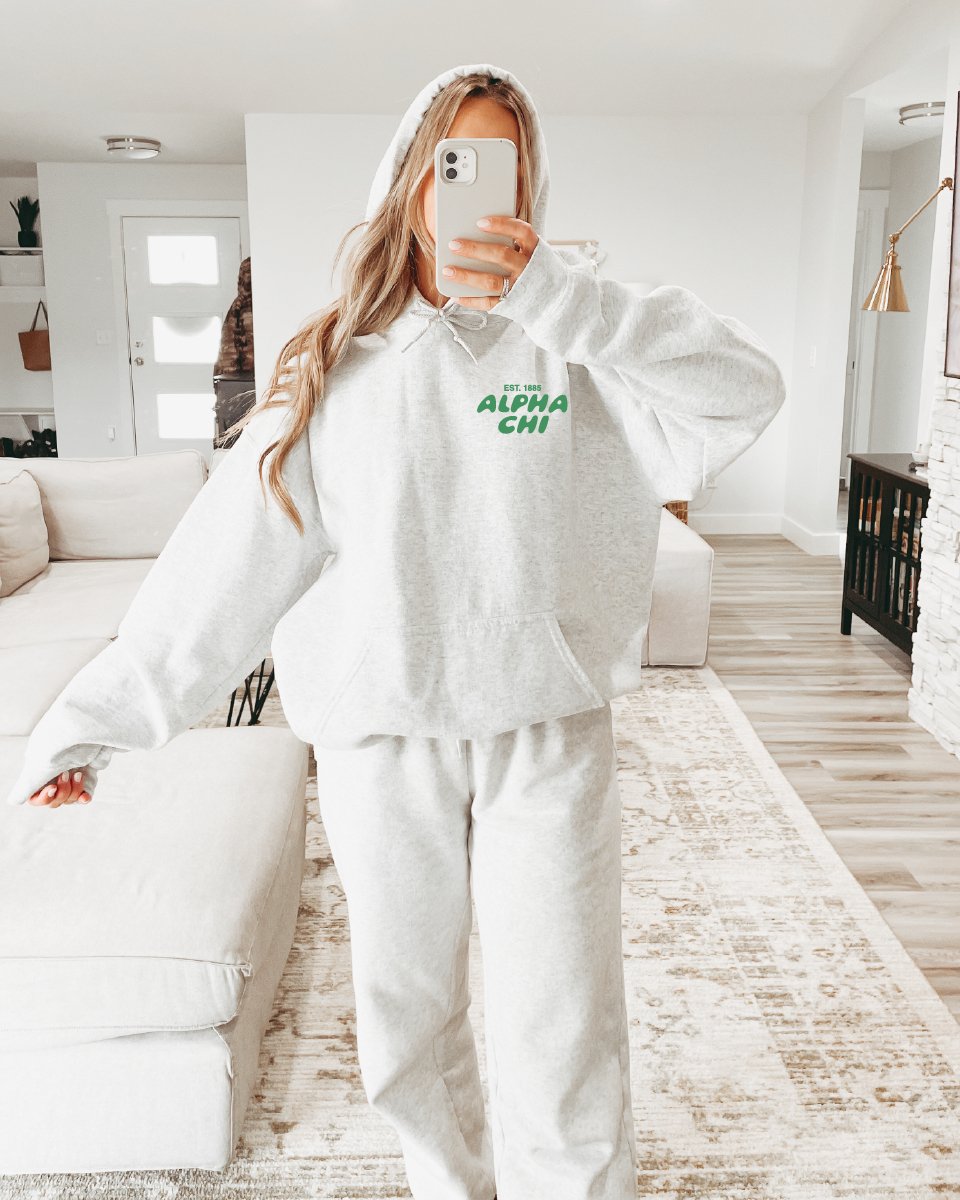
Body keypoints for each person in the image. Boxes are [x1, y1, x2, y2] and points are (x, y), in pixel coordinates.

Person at [8, 63, 786, 1200]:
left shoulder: (579, 346)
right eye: (452, 164)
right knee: (409, 1028)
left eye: (501, 166)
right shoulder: (333, 371)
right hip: (382, 740)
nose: (471, 192)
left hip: (545, 732)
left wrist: (566, 303)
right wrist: (100, 717)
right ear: (410, 183)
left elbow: (746, 391)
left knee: (564, 1026)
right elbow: (225, 565)